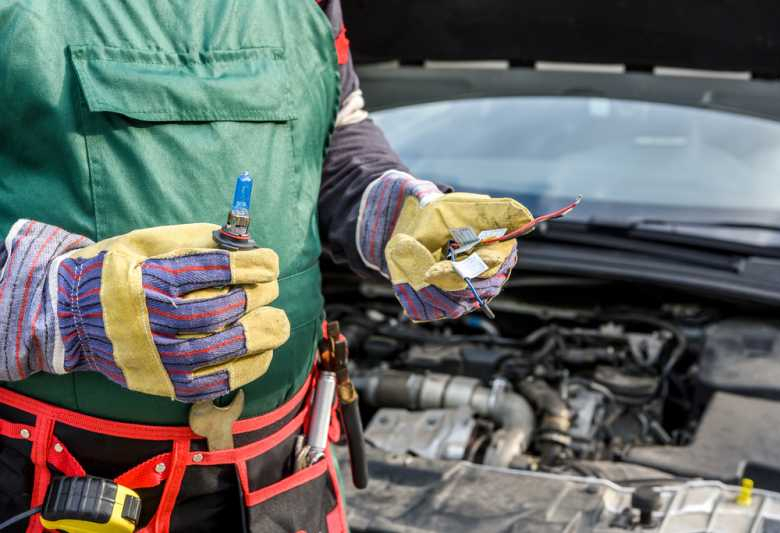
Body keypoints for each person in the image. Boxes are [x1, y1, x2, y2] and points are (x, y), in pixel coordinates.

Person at [0, 1, 533, 531]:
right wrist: (65, 308)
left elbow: (331, 140)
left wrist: (399, 215)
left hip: (281, 477)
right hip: (56, 492)